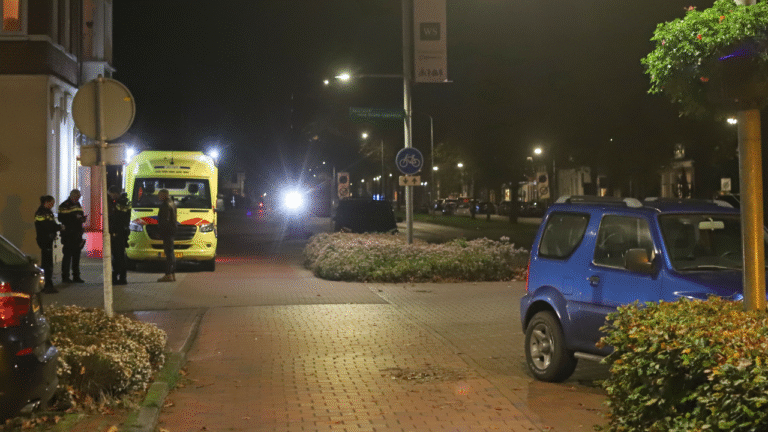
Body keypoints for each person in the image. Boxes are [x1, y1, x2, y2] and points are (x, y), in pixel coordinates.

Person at [34, 195, 62, 293]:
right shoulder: (41, 213)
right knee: (47, 263)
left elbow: (52, 224)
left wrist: (57, 227)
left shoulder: (47, 212)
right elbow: (47, 226)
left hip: (48, 240)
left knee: (48, 262)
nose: (53, 205)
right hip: (44, 240)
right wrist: (58, 228)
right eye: (52, 203)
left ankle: (47, 283)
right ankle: (47, 285)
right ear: (47, 202)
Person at [58, 189, 86, 283]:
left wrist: (82, 219)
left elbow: (80, 215)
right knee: (67, 256)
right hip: (68, 235)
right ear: (72, 195)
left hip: (77, 234)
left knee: (76, 256)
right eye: (77, 196)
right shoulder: (64, 205)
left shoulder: (78, 204)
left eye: (79, 197)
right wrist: (74, 217)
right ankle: (65, 277)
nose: (78, 198)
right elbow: (61, 218)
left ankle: (76, 276)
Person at [108, 186, 132, 285]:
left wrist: (113, 231)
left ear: (115, 193)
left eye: (111, 195)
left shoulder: (121, 203)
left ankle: (120, 277)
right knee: (119, 255)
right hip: (121, 232)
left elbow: (117, 218)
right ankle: (120, 277)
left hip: (118, 232)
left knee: (118, 256)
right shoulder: (124, 201)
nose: (111, 197)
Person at [157, 189, 177, 282]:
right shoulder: (172, 203)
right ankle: (172, 274)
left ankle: (168, 274)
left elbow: (164, 221)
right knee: (171, 253)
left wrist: (161, 232)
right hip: (172, 231)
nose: (158, 197)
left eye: (160, 195)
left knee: (168, 253)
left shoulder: (165, 205)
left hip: (167, 232)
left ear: (164, 195)